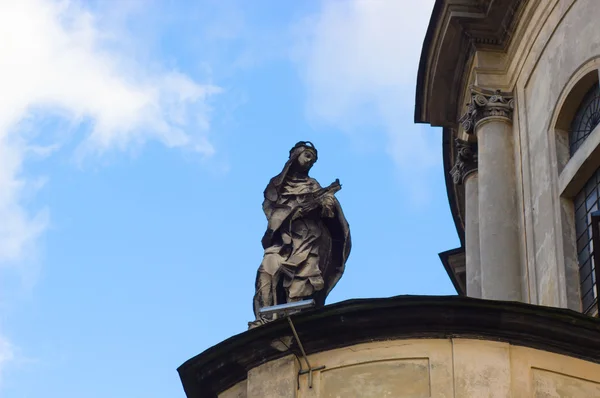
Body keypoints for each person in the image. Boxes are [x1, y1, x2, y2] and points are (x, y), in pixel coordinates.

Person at [251, 141, 351, 325]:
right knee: (267, 269)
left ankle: (297, 322)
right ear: (296, 155)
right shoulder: (277, 185)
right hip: (283, 241)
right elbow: (273, 211)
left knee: (303, 280)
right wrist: (290, 214)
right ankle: (263, 320)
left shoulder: (313, 185)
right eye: (307, 156)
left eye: (313, 160)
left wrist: (326, 204)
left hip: (309, 240)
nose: (310, 162)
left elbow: (328, 209)